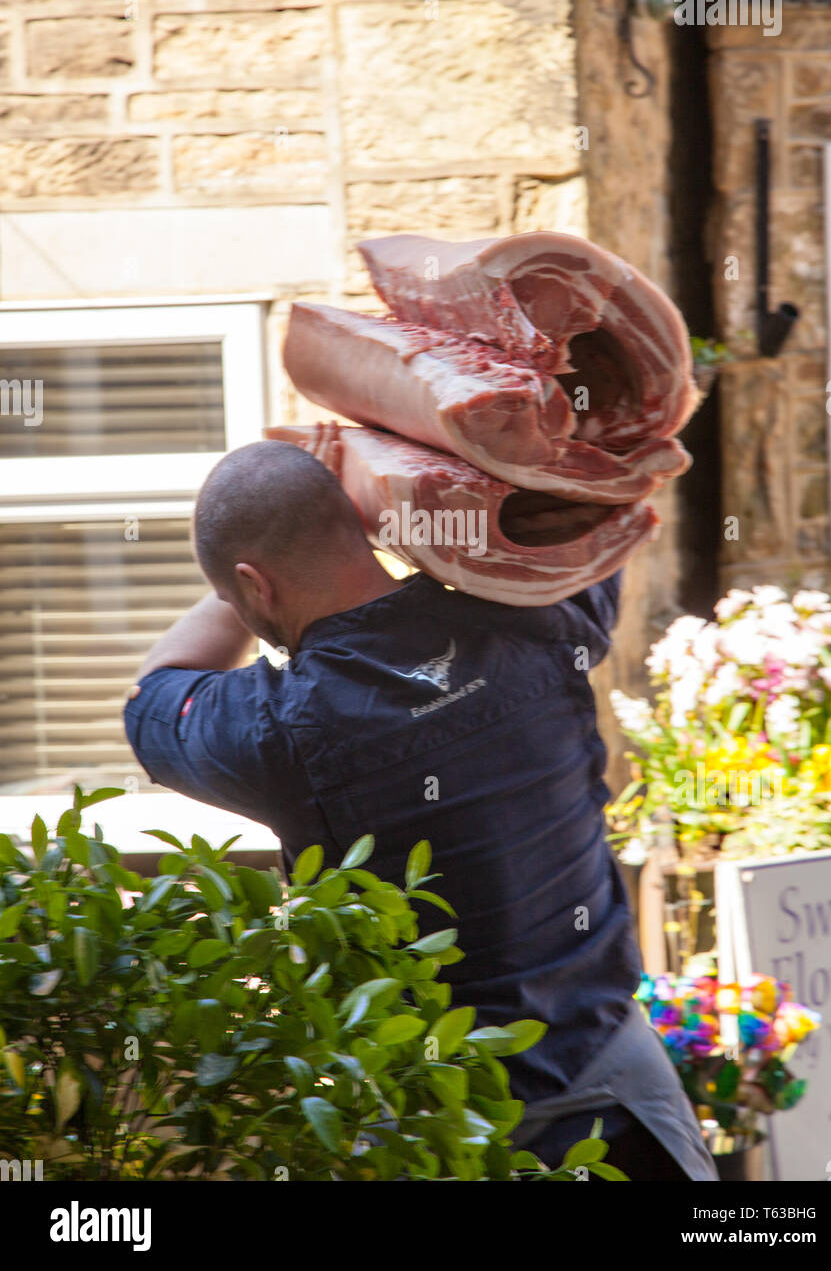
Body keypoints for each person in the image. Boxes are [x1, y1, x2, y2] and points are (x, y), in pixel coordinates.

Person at [124, 431, 717, 1182]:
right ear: (359, 530)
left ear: (255, 585)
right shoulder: (537, 615)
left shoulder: (276, 733)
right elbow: (582, 513)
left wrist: (240, 589)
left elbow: (153, 698)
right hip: (613, 1086)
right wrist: (395, 509)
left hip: (440, 1125)